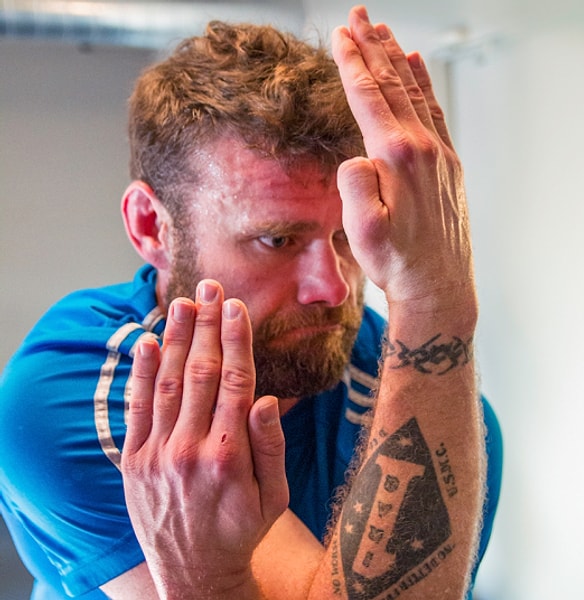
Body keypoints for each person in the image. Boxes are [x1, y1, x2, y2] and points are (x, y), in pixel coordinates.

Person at [0, 5, 502, 599]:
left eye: (348, 237)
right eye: (278, 240)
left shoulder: (441, 411)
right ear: (151, 227)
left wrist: (436, 307)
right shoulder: (74, 392)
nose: (333, 288)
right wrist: (434, 310)